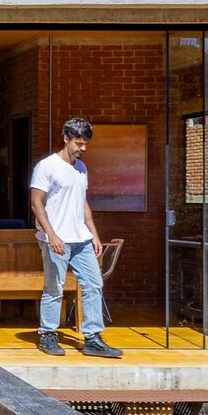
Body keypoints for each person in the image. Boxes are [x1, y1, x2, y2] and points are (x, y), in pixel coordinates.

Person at [29, 118, 122, 358]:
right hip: (56, 238)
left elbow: (82, 203)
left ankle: (93, 338)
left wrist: (94, 235)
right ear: (66, 139)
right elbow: (36, 203)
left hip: (81, 239)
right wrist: (51, 235)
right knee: (54, 287)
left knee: (93, 283)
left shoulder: (81, 168)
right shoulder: (46, 166)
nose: (83, 148)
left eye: (86, 144)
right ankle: (48, 334)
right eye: (79, 143)